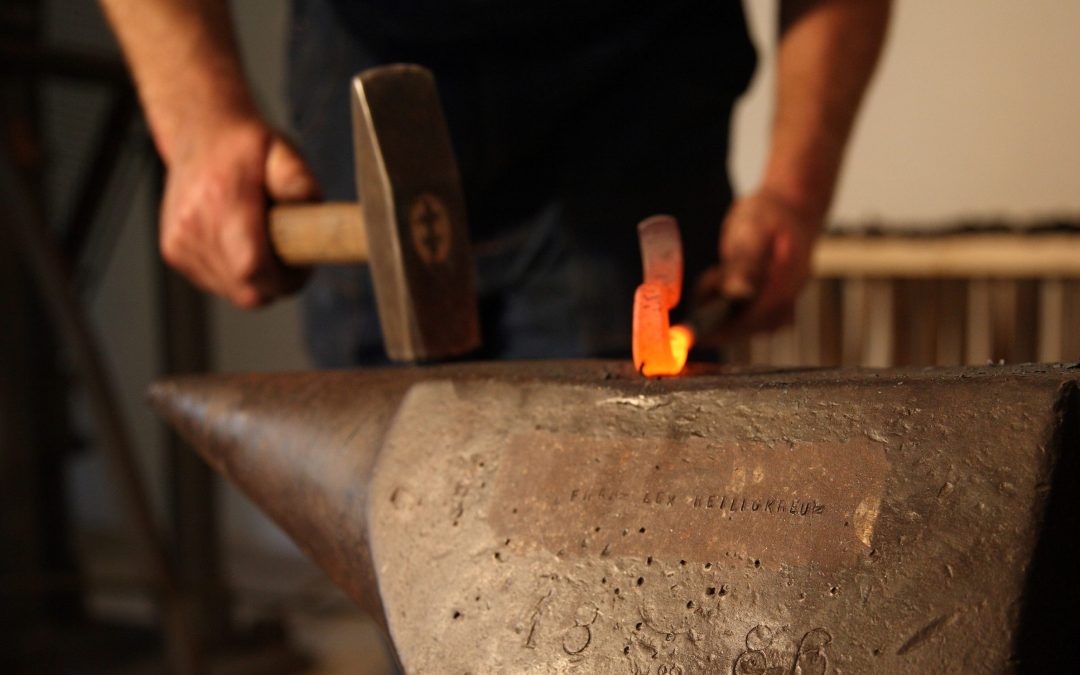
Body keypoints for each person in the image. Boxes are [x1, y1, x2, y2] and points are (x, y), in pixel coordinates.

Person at [99, 0, 890, 366]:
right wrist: (199, 119)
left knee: (627, 534)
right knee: (397, 506)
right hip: (368, 50)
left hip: (634, 79)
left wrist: (795, 189)